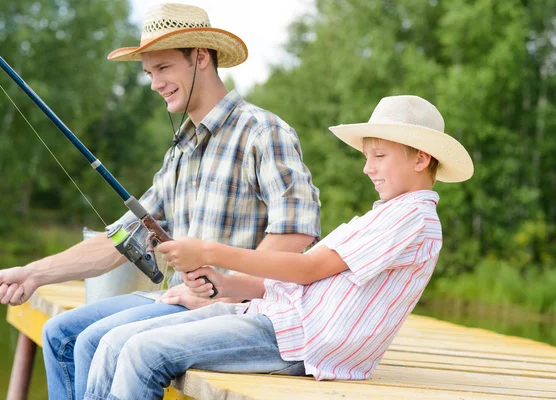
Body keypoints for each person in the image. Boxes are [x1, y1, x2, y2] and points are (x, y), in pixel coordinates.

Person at [0, 3, 321, 399]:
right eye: (148, 73)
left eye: (163, 68)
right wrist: (33, 273)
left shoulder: (262, 131)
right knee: (60, 333)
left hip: (236, 310)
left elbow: (296, 232)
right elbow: (123, 239)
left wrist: (227, 287)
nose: (155, 83)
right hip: (177, 298)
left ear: (201, 58)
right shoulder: (180, 150)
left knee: (92, 343)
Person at [82, 95, 474, 400]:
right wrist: (226, 285)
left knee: (142, 352)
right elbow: (301, 281)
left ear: (421, 158)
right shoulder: (384, 215)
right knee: (116, 341)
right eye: (367, 156)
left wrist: (208, 251)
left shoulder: (414, 219)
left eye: (380, 156)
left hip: (300, 342)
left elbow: (307, 269)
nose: (367, 167)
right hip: (277, 320)